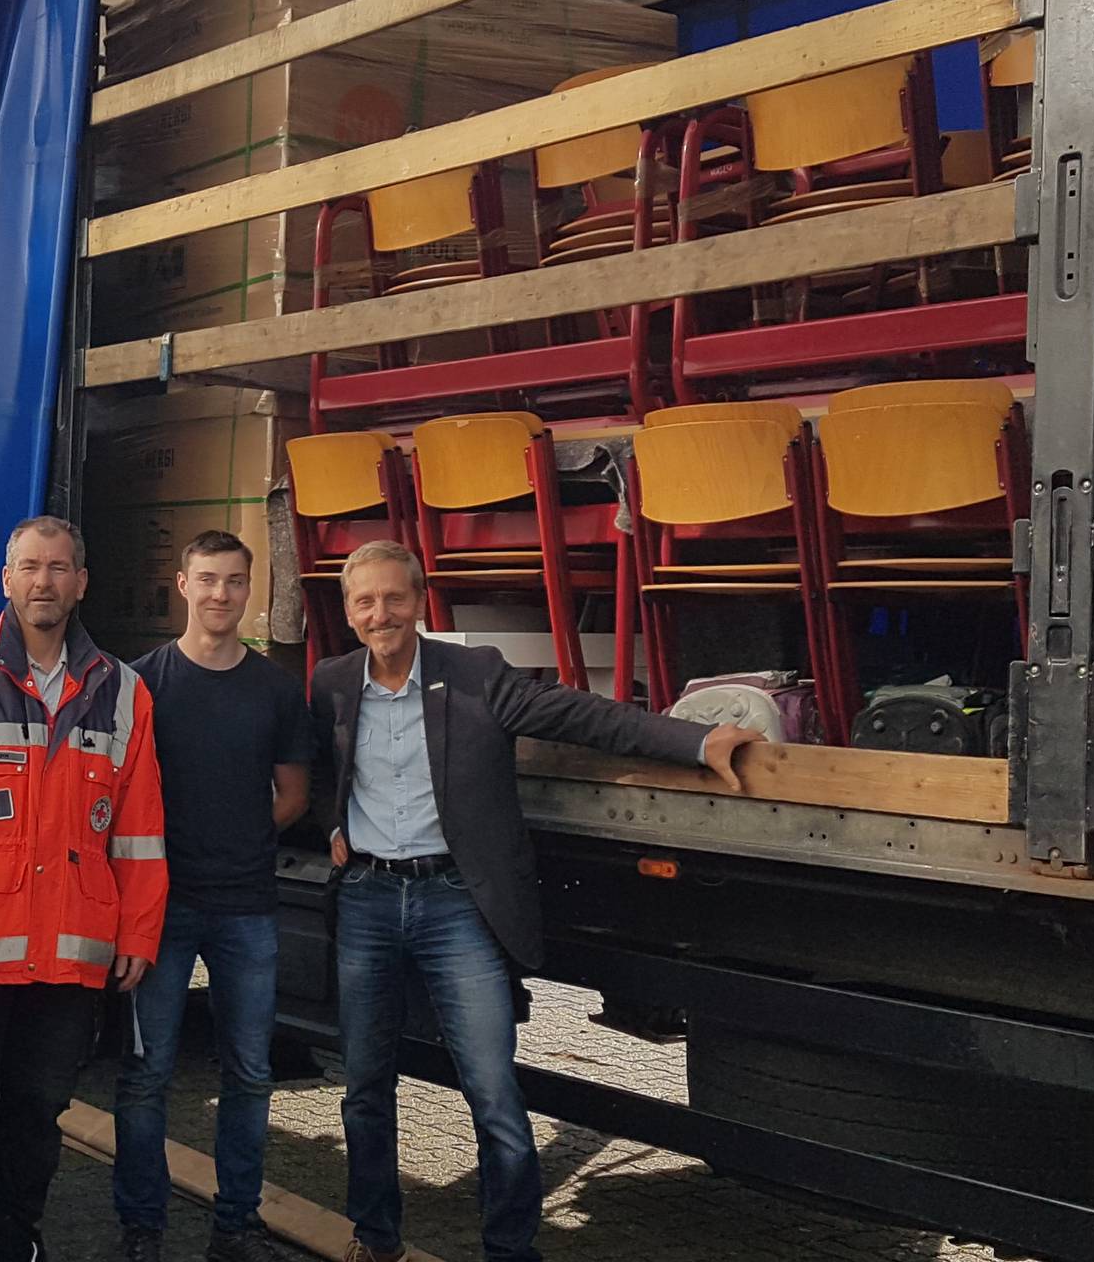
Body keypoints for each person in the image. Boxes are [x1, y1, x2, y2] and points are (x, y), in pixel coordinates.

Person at [311, 541, 760, 1262]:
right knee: (364, 1087)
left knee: (492, 1092)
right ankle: (376, 1237)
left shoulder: (474, 676)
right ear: (347, 612)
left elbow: (581, 716)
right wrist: (333, 826)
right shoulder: (332, 683)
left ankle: (510, 1250)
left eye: (394, 597)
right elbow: (314, 766)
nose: (380, 613)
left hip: (455, 902)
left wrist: (696, 740)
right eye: (365, 601)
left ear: (419, 601)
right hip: (367, 898)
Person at [0, 515, 170, 1262]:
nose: (43, 581)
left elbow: (139, 833)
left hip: (71, 954)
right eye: (29, 567)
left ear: (81, 583)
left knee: (38, 1113)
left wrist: (139, 932)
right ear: (6, 580)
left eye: (58, 568)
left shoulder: (124, 693)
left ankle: (11, 1244)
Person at [116, 531, 310, 1262]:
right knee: (147, 1075)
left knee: (250, 1075)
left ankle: (236, 1227)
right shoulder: (142, 685)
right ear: (183, 585)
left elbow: (294, 794)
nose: (220, 594)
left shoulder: (275, 690)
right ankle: (143, 1228)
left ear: (249, 589)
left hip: (247, 907)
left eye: (233, 581)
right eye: (207, 579)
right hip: (159, 908)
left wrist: (240, 834)